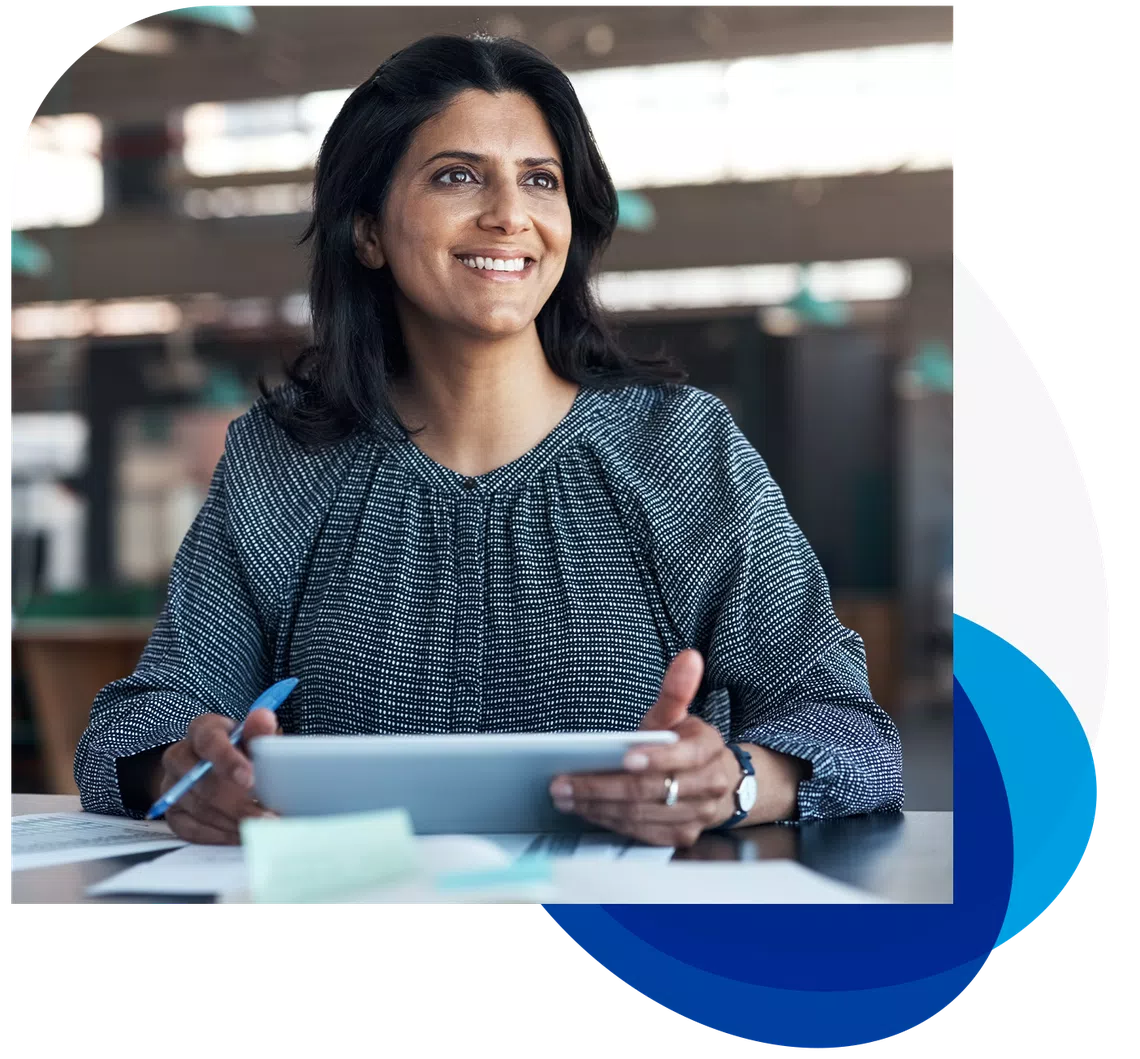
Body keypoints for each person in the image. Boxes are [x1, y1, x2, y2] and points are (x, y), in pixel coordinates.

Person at [74, 34, 904, 848]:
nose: (509, 214)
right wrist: (182, 773)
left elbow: (852, 732)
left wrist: (738, 782)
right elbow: (139, 722)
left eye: (540, 181)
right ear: (366, 229)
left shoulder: (681, 450)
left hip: (634, 948)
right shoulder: (282, 463)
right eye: (457, 175)